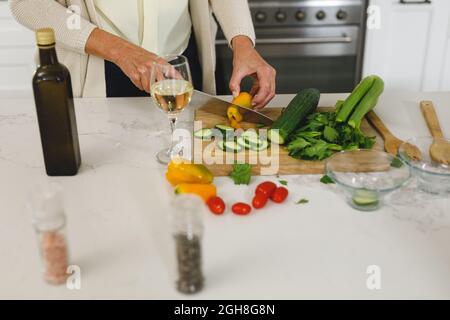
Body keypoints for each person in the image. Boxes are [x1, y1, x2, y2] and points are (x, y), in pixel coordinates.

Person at [9, 0, 276, 109]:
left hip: (183, 63)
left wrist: (242, 41)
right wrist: (121, 50)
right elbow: (26, 4)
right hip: (98, 72)